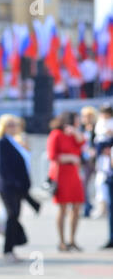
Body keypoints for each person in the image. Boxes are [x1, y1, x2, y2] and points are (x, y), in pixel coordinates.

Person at [47, 112, 86, 252]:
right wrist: (70, 157)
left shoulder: (74, 134)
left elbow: (82, 143)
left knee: (76, 207)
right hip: (61, 173)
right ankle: (62, 241)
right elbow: (52, 155)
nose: (78, 122)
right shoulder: (56, 134)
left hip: (74, 174)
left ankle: (72, 239)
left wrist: (75, 132)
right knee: (62, 208)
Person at [0, 114, 30, 262]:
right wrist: (14, 183)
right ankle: (7, 250)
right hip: (8, 187)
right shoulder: (2, 142)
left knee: (14, 216)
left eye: (15, 124)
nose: (13, 127)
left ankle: (11, 248)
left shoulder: (16, 142)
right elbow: (2, 167)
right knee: (11, 216)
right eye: (9, 124)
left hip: (17, 187)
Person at [92, 103, 113, 218]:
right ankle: (102, 207)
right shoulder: (100, 122)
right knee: (100, 182)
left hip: (109, 154)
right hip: (102, 155)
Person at [80, 106, 98, 217]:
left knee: (98, 184)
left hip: (95, 160)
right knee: (83, 185)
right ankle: (87, 207)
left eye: (89, 116)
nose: (87, 118)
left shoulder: (97, 128)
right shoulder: (82, 129)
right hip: (85, 160)